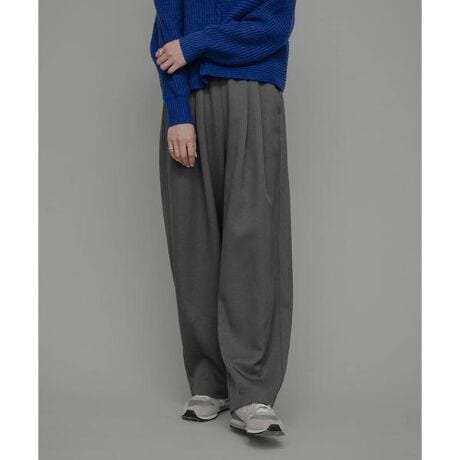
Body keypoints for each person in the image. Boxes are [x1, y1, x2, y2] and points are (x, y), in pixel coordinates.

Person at [150, 0, 296, 437]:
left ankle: (252, 390)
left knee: (253, 243)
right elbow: (165, 34)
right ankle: (208, 382)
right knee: (193, 242)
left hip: (254, 93)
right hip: (190, 103)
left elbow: (274, 25)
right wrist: (178, 112)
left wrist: (197, 44)